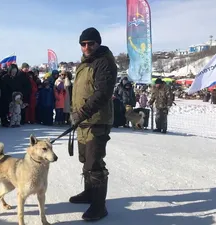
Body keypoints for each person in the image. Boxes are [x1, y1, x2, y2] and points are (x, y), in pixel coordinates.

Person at [70, 27, 117, 221]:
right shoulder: (84, 64)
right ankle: (89, 193)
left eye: (90, 43)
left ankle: (99, 206)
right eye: (83, 44)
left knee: (94, 163)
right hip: (83, 121)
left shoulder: (104, 62)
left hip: (96, 121)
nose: (87, 47)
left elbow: (102, 93)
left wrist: (81, 112)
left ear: (98, 43)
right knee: (85, 160)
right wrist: (75, 113)